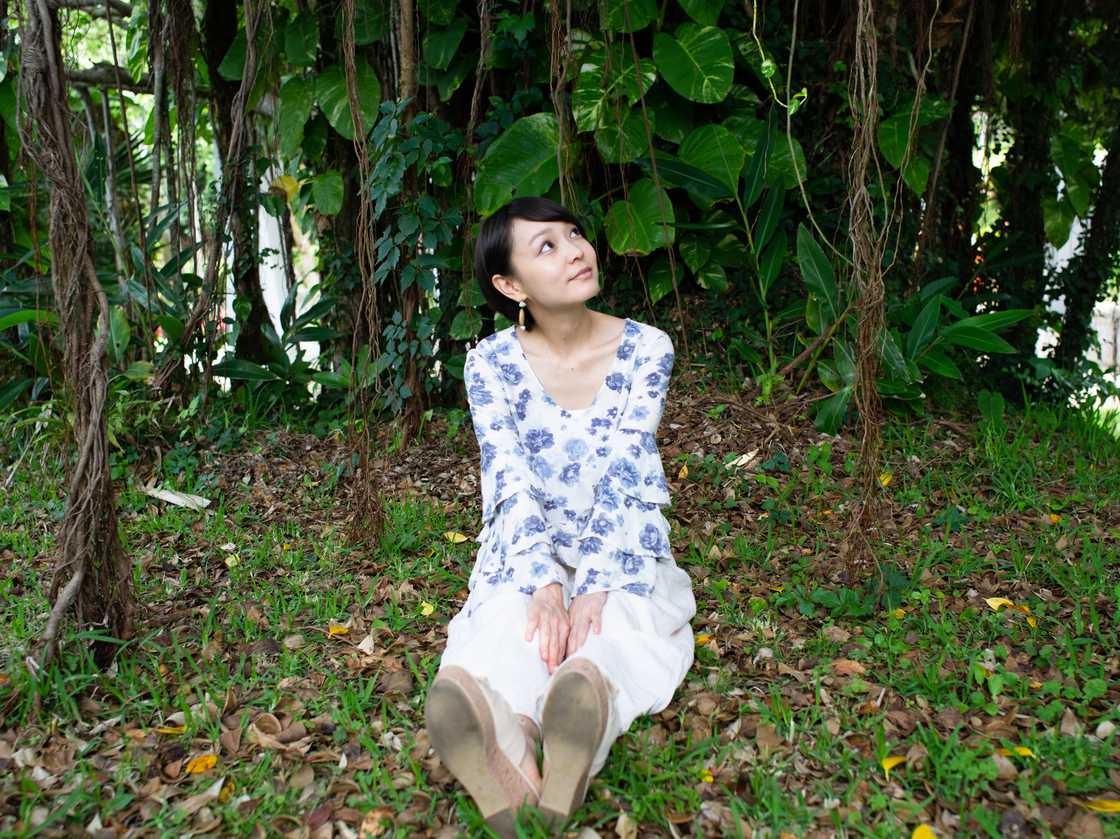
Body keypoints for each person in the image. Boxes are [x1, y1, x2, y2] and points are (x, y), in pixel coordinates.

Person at [425, 196, 696, 836]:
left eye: (574, 234)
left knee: (613, 627)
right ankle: (509, 738)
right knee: (511, 627)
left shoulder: (646, 348)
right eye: (545, 246)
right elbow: (507, 474)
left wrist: (597, 580)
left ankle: (580, 720)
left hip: (621, 539)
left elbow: (629, 465)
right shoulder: (490, 363)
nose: (576, 249)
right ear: (509, 284)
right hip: (528, 544)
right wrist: (545, 583)